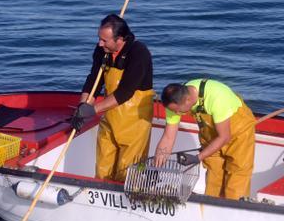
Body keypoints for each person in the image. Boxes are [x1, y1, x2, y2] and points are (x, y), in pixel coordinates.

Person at [70, 14, 154, 182]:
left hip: (134, 123)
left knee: (128, 172)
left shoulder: (139, 53)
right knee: (103, 169)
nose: (100, 44)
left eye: (105, 40)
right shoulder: (102, 51)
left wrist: (92, 110)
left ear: (120, 39)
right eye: (99, 39)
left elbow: (125, 92)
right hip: (109, 118)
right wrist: (82, 107)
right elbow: (94, 80)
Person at [155, 79, 256, 200]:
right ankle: (212, 212)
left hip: (238, 133)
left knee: (237, 177)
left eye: (178, 110)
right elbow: (168, 136)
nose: (176, 113)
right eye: (174, 111)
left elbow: (224, 137)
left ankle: (235, 211)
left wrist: (197, 158)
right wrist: (157, 167)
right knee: (214, 178)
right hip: (211, 136)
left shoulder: (217, 97)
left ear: (188, 100)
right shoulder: (173, 102)